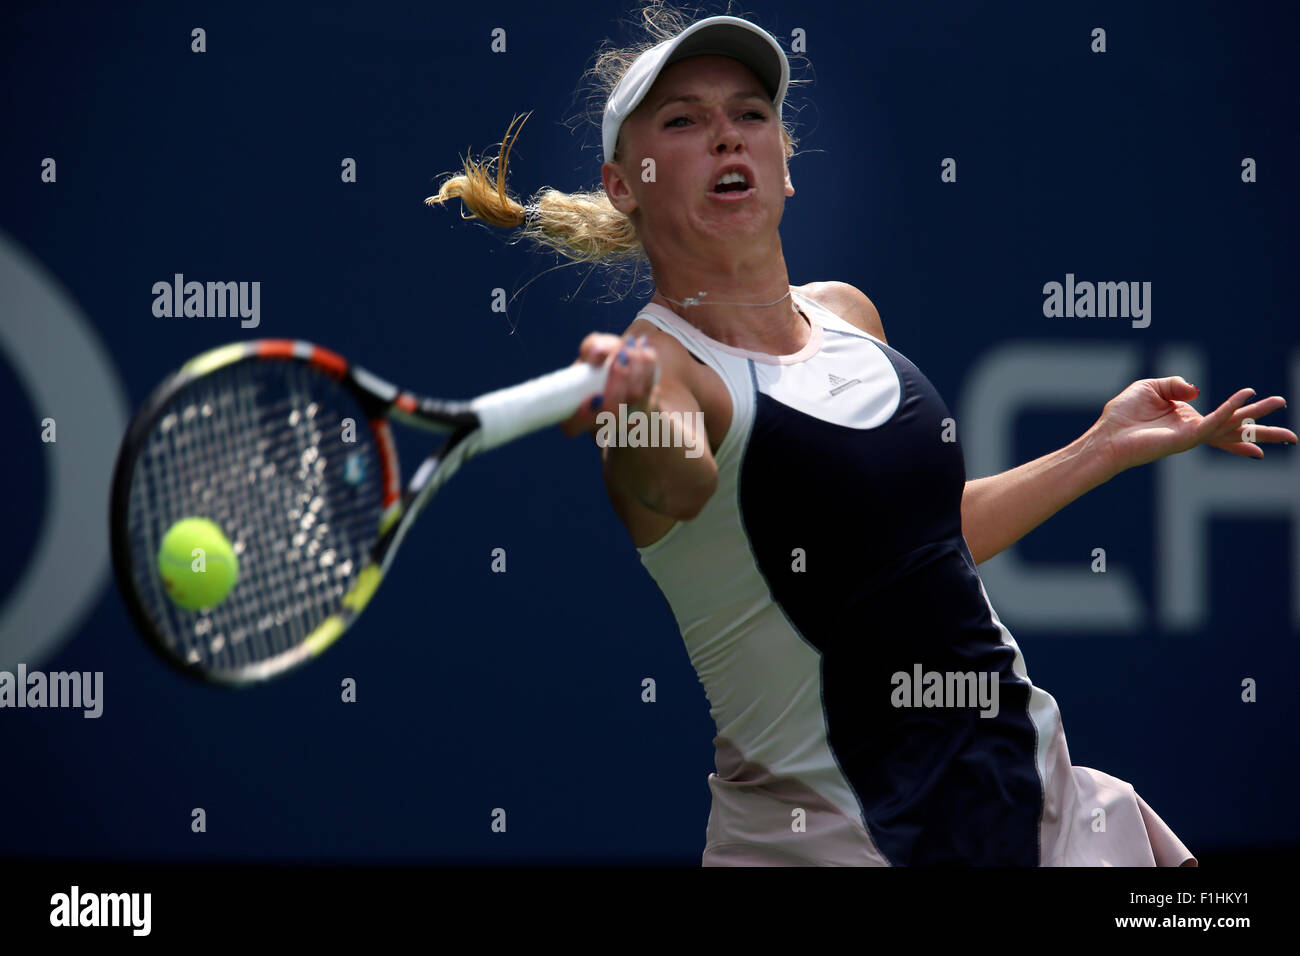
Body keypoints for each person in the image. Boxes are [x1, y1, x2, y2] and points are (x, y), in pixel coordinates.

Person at [426, 4, 1295, 865]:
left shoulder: (849, 317)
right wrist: (640, 405)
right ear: (625, 183)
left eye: (751, 116)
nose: (727, 137)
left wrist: (1100, 446)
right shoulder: (665, 373)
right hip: (837, 841)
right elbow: (675, 482)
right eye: (685, 121)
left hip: (1032, 798)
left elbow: (921, 549)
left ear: (784, 166)